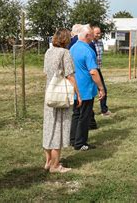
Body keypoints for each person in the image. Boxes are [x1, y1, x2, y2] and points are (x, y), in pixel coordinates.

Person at [43, 28, 82, 173]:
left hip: (49, 93)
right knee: (59, 128)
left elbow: (45, 72)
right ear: (66, 39)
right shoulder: (65, 53)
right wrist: (78, 93)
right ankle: (55, 165)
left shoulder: (48, 52)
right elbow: (70, 75)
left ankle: (48, 161)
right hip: (61, 94)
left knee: (48, 127)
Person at [69, 24, 105, 151]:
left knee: (76, 114)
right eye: (90, 34)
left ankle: (73, 139)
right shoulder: (88, 50)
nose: (92, 36)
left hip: (74, 87)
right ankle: (80, 143)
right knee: (84, 116)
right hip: (85, 88)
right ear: (87, 35)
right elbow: (93, 71)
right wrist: (101, 88)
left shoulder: (73, 48)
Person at [90, 26, 112, 116]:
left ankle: (104, 110)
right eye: (97, 33)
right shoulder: (89, 43)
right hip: (91, 69)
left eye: (100, 33)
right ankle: (89, 111)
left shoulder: (99, 42)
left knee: (103, 90)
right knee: (90, 90)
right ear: (92, 33)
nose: (99, 35)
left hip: (97, 69)